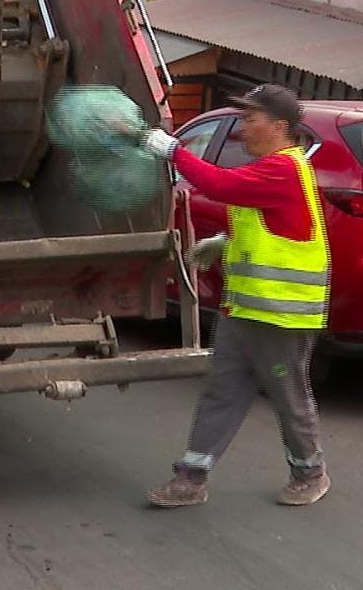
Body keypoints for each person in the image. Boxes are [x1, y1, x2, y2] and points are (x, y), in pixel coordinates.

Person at [137, 83, 332, 509]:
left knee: (289, 396)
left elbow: (218, 184)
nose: (241, 128)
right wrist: (225, 242)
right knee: (222, 391)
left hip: (282, 315)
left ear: (279, 126)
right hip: (246, 308)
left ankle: (310, 472)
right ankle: (190, 478)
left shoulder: (282, 167)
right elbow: (280, 227)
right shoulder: (272, 169)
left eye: (250, 118)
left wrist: (173, 150)